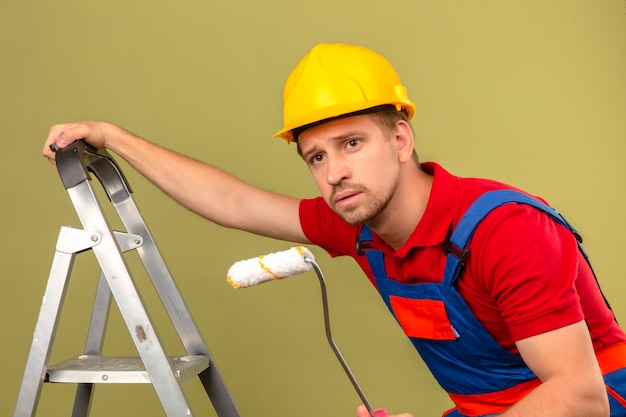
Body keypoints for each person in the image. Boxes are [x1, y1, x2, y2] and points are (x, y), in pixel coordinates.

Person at [43, 43, 626, 417]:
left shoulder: (504, 231)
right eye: (316, 157)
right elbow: (233, 201)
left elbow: (579, 398)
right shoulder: (359, 224)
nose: (335, 172)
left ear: (401, 139)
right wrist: (112, 136)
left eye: (352, 143)